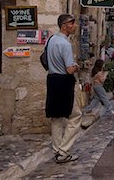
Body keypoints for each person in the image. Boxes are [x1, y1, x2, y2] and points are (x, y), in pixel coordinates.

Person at [45, 14, 81, 164]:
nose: (75, 26)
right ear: (64, 25)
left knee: (56, 117)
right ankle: (64, 151)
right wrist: (77, 66)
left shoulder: (51, 40)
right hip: (64, 82)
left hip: (52, 80)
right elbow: (70, 70)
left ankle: (57, 149)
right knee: (75, 116)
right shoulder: (65, 44)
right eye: (72, 23)